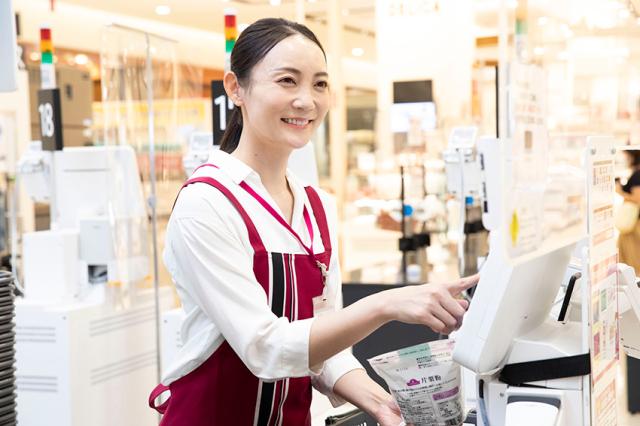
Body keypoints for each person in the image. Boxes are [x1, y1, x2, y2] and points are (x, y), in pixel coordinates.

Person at [148, 18, 478, 426]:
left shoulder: (317, 207)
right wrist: (386, 303)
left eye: (320, 84)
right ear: (236, 89)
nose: (307, 100)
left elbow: (324, 347)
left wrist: (381, 403)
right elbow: (265, 348)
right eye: (287, 81)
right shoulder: (207, 203)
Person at [617, 150, 640, 274]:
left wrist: (620, 192)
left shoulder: (637, 174)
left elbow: (637, 198)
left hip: (634, 224)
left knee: (632, 262)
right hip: (633, 223)